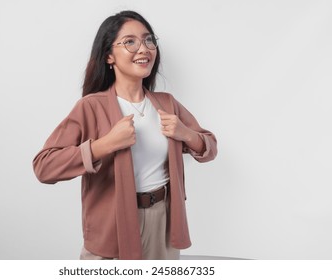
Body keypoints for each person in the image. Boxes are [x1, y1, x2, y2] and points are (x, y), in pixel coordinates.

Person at [33, 10, 217, 260]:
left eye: (148, 40)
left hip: (164, 223)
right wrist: (105, 145)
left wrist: (185, 134)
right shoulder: (91, 107)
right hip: (113, 224)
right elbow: (44, 167)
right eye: (130, 42)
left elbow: (209, 147)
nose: (143, 49)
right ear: (109, 55)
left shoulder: (166, 103)